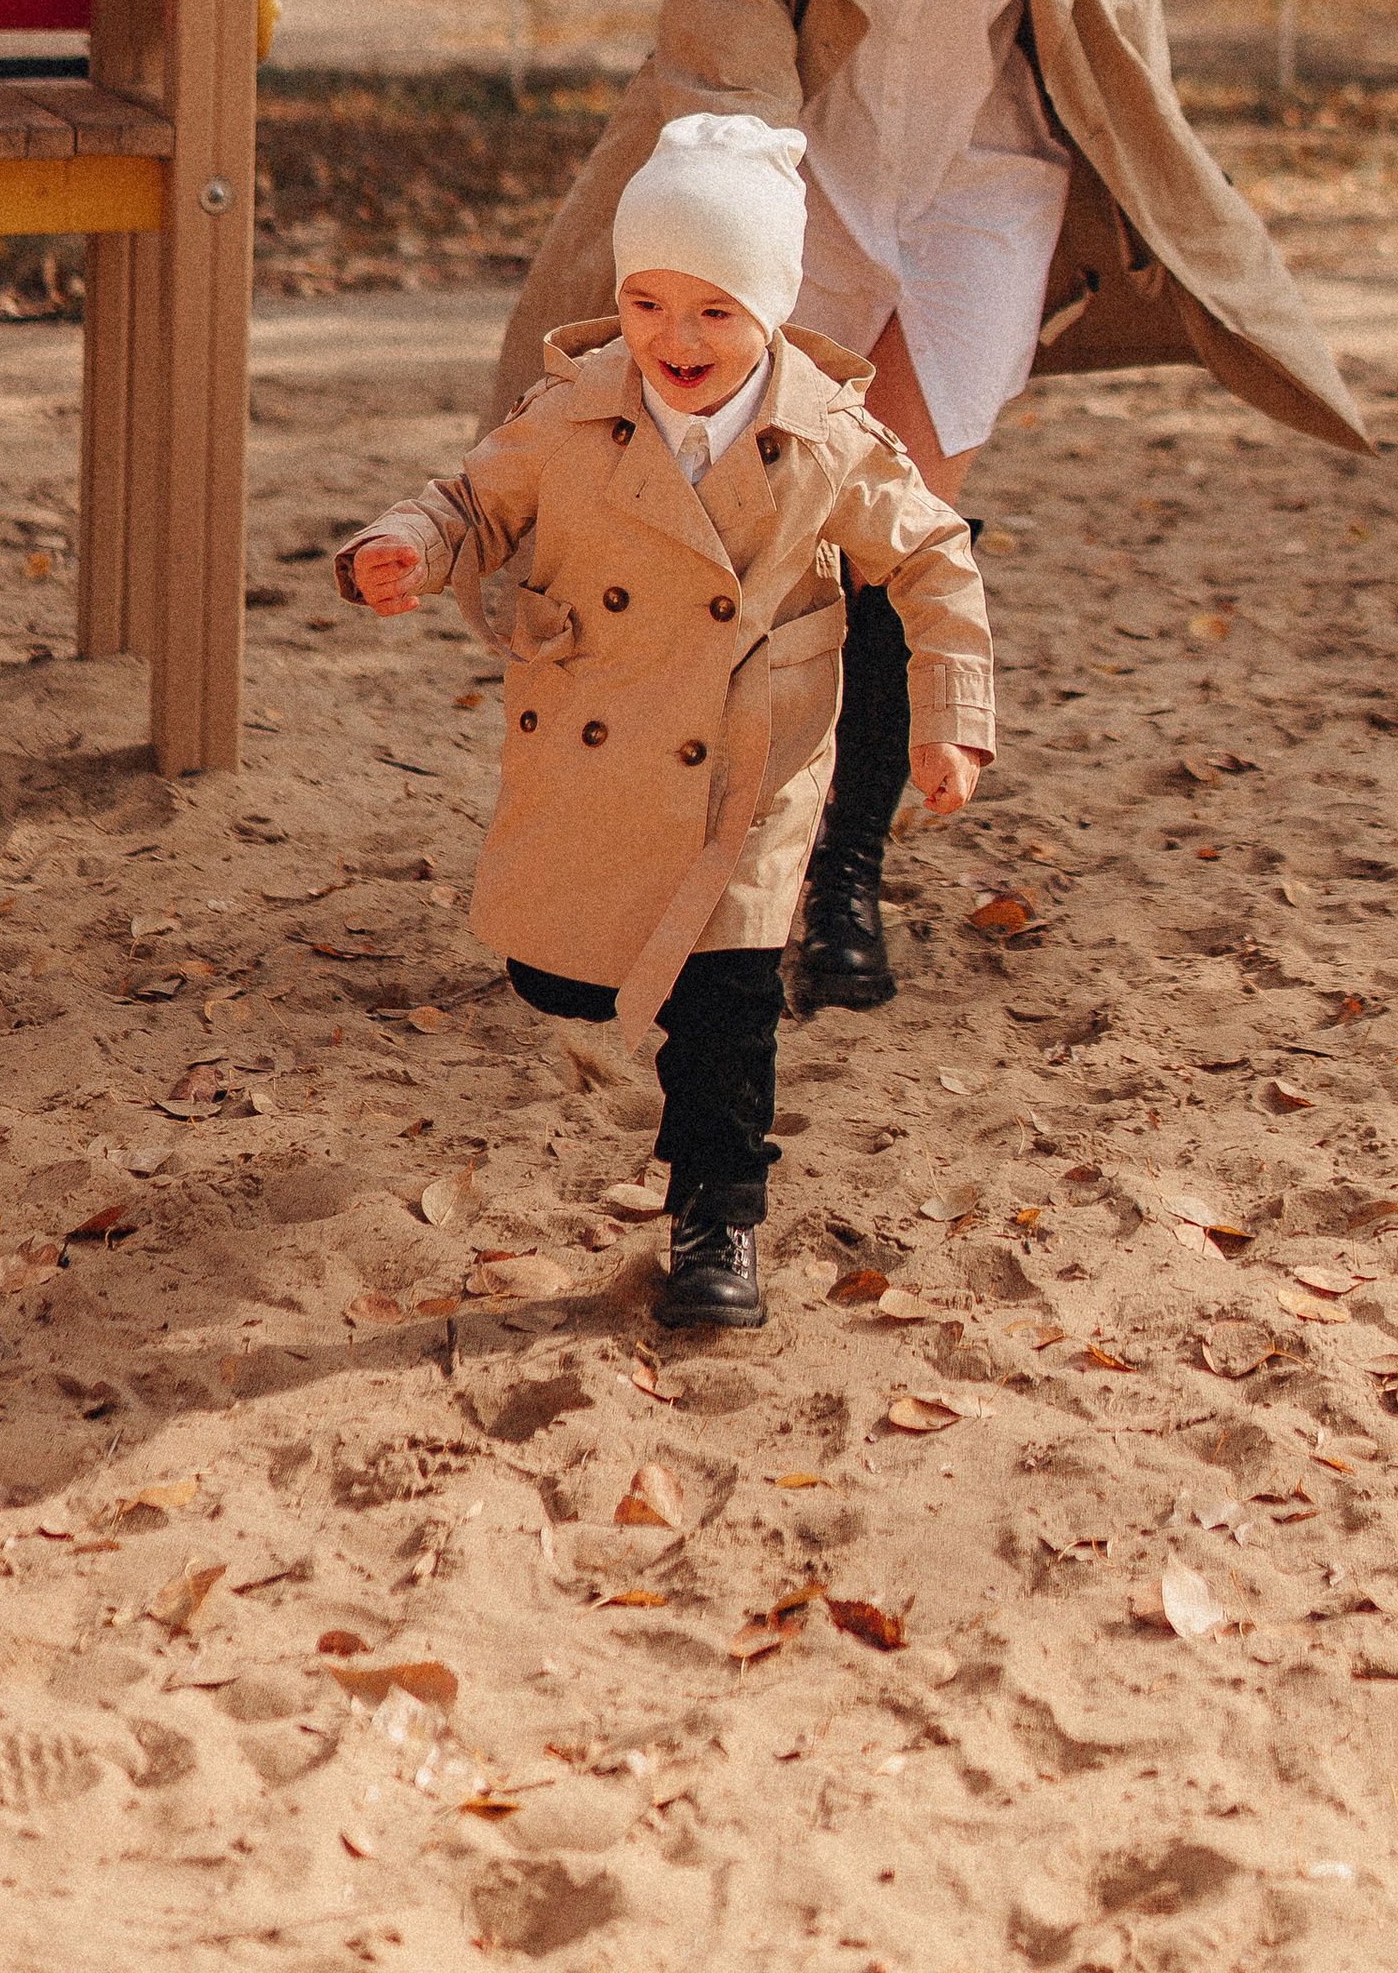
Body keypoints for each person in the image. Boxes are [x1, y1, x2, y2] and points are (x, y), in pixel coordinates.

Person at [490, 0, 1368, 1017]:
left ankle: (840, 886)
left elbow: (1122, 40)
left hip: (985, 191)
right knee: (763, 529)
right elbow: (721, 45)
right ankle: (706, 864)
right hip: (803, 186)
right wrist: (734, 219)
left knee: (891, 522)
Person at [337, 110, 991, 1332]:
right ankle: (611, 1002)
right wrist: (407, 547)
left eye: (713, 312)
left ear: (770, 311)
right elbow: (474, 501)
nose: (674, 340)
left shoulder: (826, 434)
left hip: (749, 753)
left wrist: (944, 722)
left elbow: (932, 560)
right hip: (596, 721)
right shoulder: (575, 406)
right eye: (646, 303)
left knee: (725, 1001)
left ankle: (716, 1221)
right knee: (560, 979)